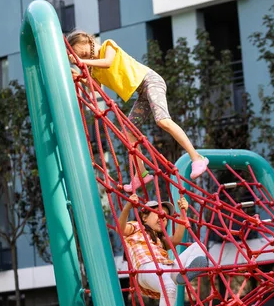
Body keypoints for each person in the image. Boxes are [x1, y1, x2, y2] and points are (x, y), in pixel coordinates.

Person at [66, 31, 209, 193]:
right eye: (80, 55)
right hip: (142, 92)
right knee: (128, 132)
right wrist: (80, 77)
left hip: (151, 81)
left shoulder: (108, 45)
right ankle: (141, 173)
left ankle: (197, 158)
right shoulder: (93, 69)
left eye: (83, 52)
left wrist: (80, 61)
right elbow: (95, 88)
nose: (84, 56)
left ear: (87, 42)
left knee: (162, 120)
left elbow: (107, 62)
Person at [119, 194, 209, 306]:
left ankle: (183, 273)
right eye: (158, 214)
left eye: (166, 218)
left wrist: (183, 213)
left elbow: (175, 241)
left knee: (199, 246)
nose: (163, 218)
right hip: (146, 269)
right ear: (144, 217)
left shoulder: (160, 240)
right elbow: (120, 228)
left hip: (165, 268)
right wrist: (128, 207)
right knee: (168, 284)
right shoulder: (136, 227)